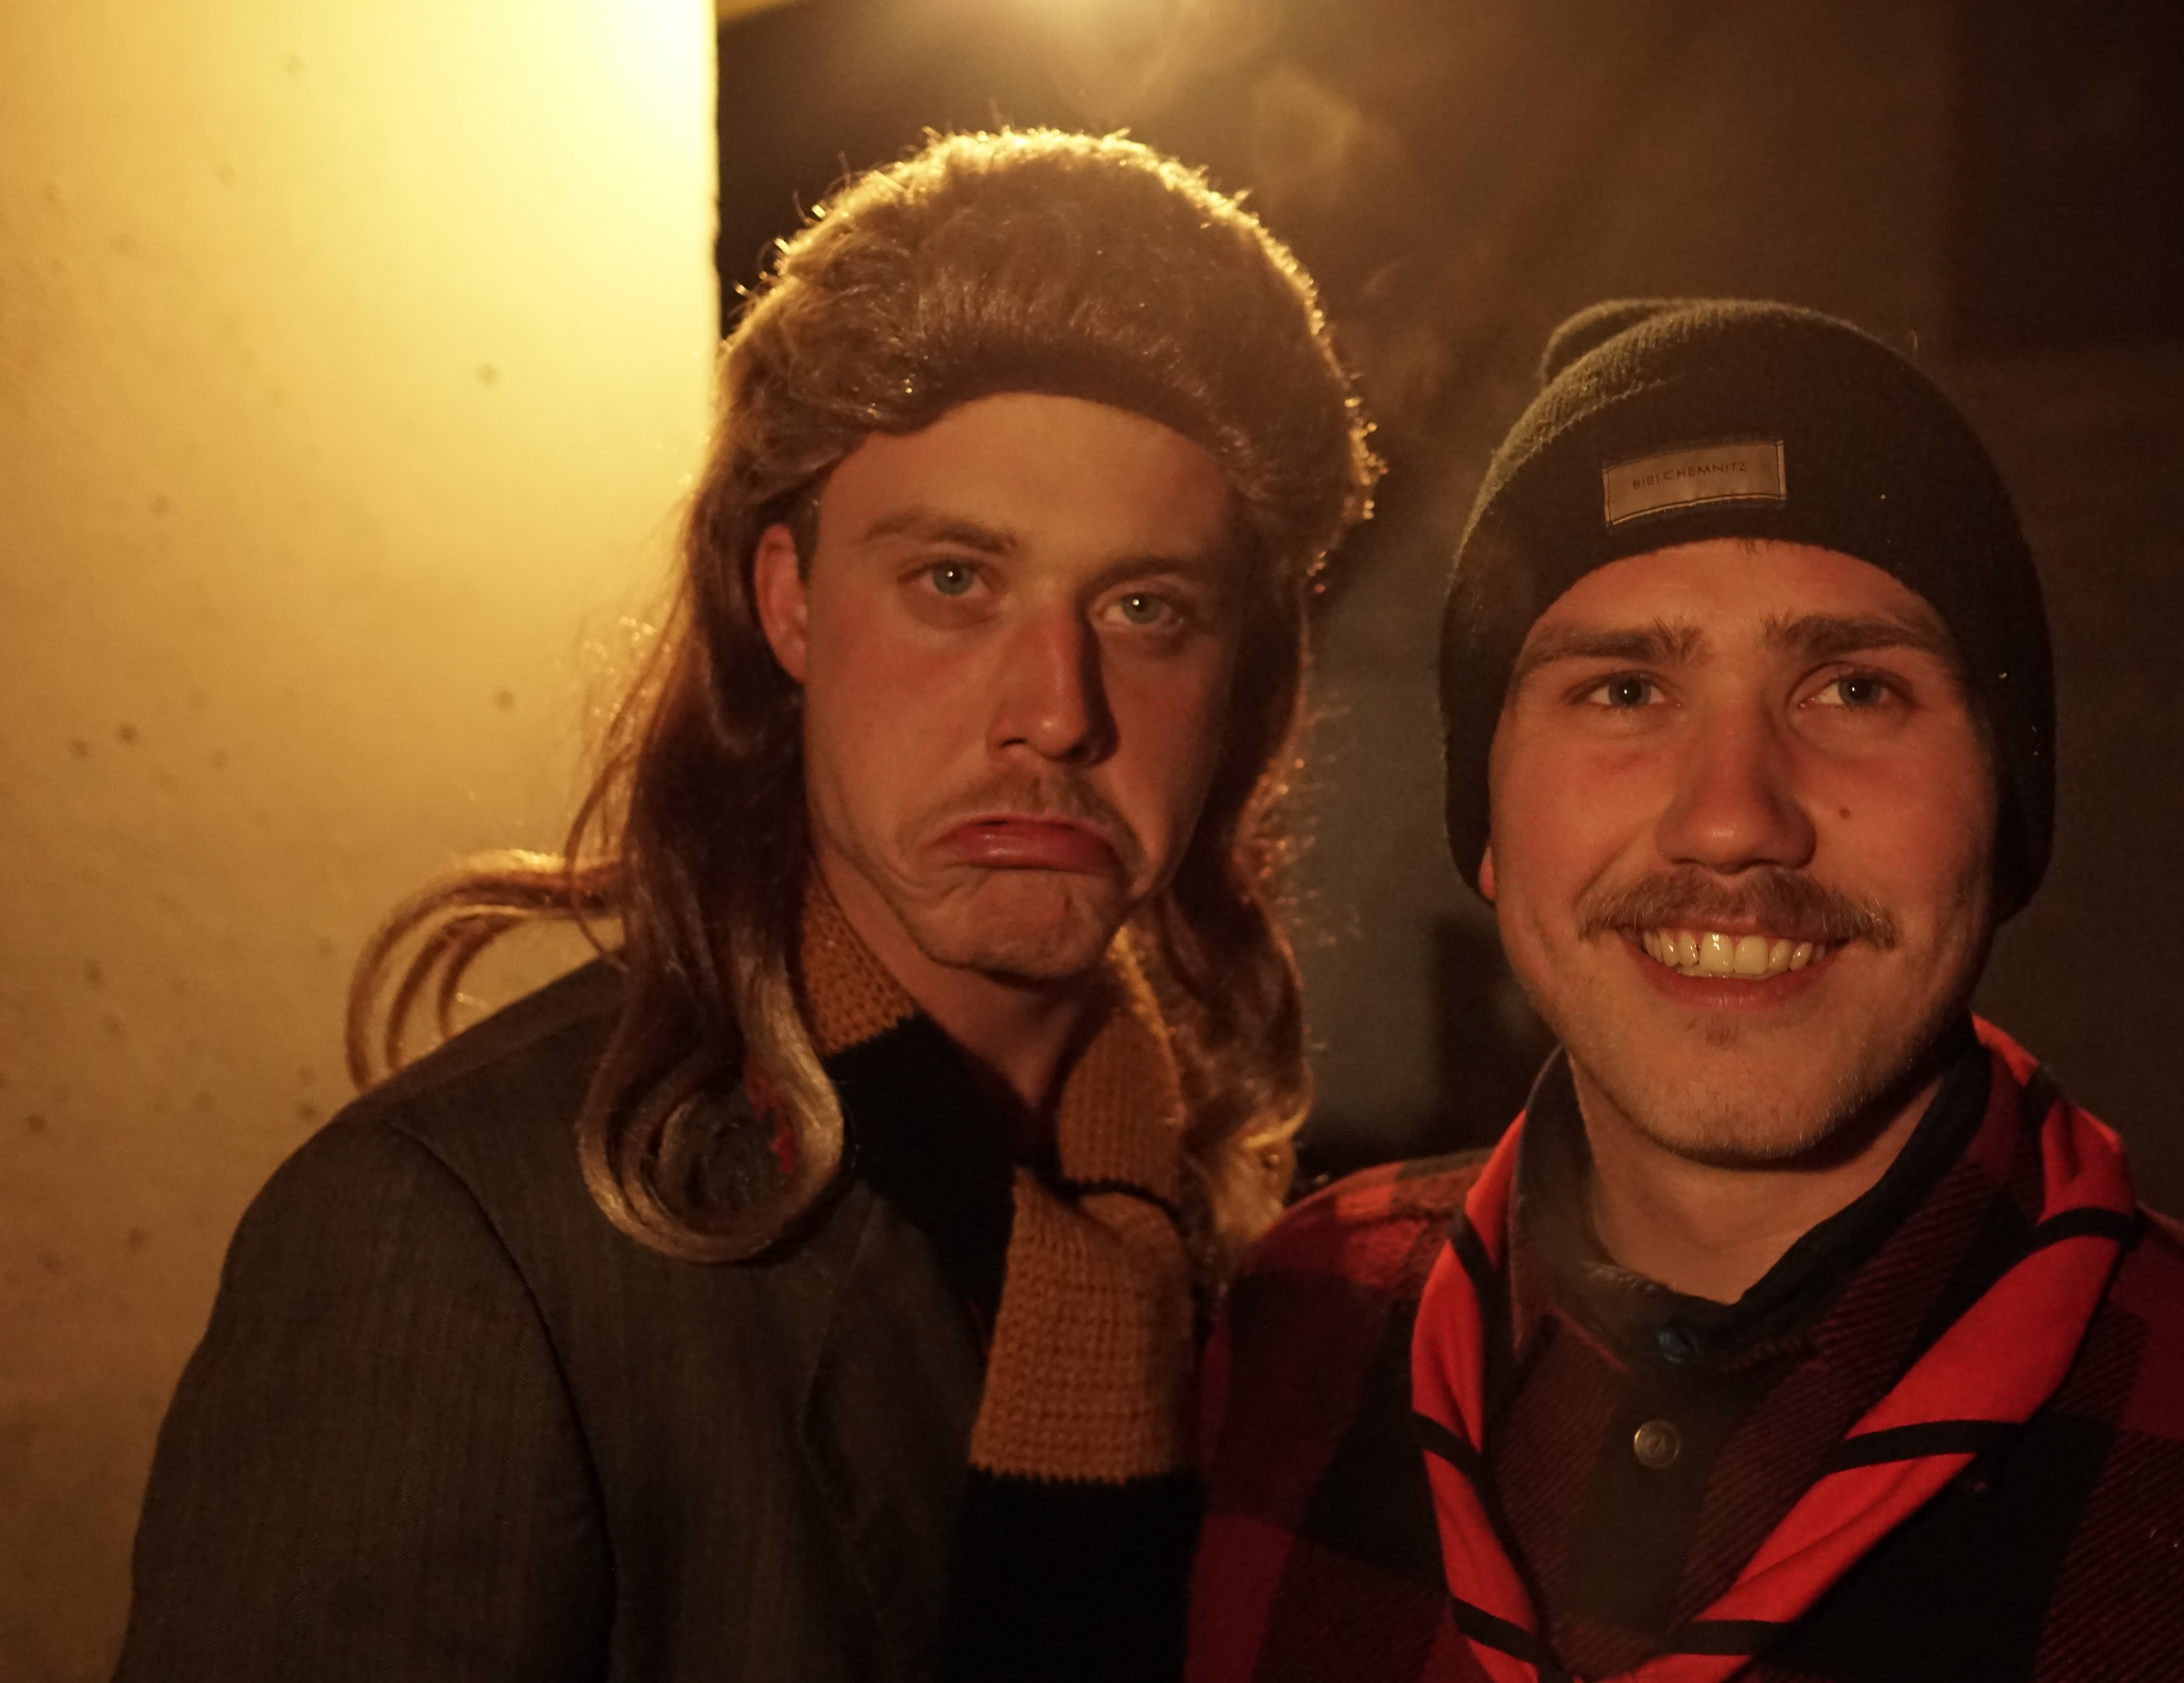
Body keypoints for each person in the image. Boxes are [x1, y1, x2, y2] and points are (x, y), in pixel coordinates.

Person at [115, 129, 1376, 1683]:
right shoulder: (460, 1241)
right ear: (787, 601)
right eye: (956, 581)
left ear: (1241, 675)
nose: (1057, 712)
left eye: (1144, 607)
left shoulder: (1239, 1242)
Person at [1188, 298, 2184, 1681]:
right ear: (1486, 819)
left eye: (1855, 691)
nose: (1732, 821)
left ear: (2006, 805)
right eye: (1625, 691)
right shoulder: (1292, 1336)